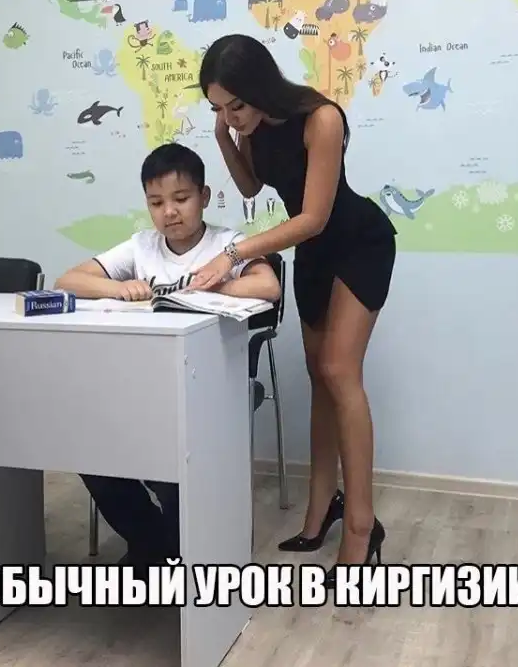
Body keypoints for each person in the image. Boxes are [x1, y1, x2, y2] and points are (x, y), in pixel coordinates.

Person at [193, 34, 397, 587]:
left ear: (260, 86)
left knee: (338, 370)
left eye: (235, 105)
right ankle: (321, 510)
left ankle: (361, 528)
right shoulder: (249, 126)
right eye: (218, 108)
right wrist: (224, 135)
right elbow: (250, 185)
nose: (231, 116)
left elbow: (313, 218)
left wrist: (233, 253)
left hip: (358, 244)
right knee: (317, 376)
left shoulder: (320, 119)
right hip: (313, 254)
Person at [54, 143, 281, 573]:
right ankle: (156, 544)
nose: (169, 212)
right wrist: (118, 287)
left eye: (181, 198)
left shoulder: (227, 244)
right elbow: (68, 280)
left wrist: (210, 285)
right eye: (156, 203)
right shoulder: (142, 246)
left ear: (204, 197)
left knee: (172, 463)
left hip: (210, 385)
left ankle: (180, 550)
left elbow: (268, 287)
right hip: (142, 384)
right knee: (91, 455)